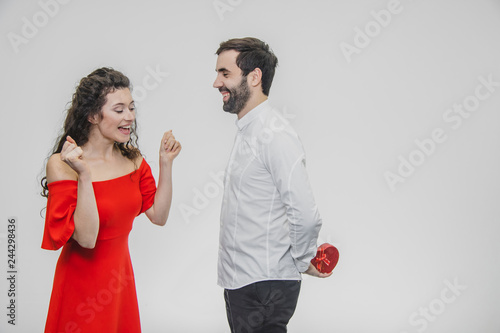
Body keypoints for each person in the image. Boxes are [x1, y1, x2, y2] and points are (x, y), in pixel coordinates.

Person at [40, 67, 181, 332]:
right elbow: (87, 238)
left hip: (119, 281)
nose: (130, 117)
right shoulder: (62, 165)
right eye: (119, 110)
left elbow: (159, 216)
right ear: (93, 115)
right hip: (80, 286)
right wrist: (84, 174)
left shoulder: (133, 160)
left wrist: (165, 163)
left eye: (131, 107)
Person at [213, 37, 332, 333]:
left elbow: (304, 213)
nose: (216, 83)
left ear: (254, 77)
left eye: (225, 74)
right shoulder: (249, 131)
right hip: (243, 283)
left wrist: (305, 260)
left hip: (263, 285)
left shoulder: (275, 135)